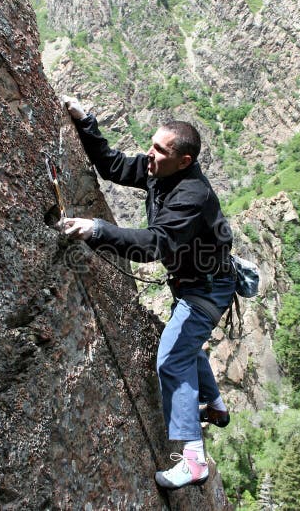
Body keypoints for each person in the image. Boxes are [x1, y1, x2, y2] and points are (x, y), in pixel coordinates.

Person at [59, 96, 235, 489]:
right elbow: (114, 166)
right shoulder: (161, 171)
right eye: (151, 145)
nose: (149, 155)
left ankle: (194, 461)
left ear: (184, 161)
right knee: (186, 346)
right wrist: (87, 121)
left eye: (159, 150)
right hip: (193, 282)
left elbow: (154, 245)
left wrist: (97, 230)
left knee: (173, 360)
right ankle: (216, 407)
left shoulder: (192, 195)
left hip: (205, 289)